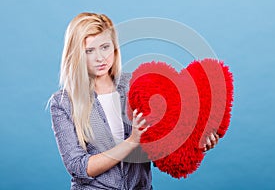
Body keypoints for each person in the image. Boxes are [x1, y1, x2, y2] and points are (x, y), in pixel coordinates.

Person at [49, 12, 219, 190]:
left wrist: (194, 142)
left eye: (105, 47)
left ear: (114, 48)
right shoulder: (63, 103)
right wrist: (132, 141)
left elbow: (161, 144)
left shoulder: (137, 85)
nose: (100, 58)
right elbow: (78, 167)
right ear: (76, 54)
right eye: (89, 51)